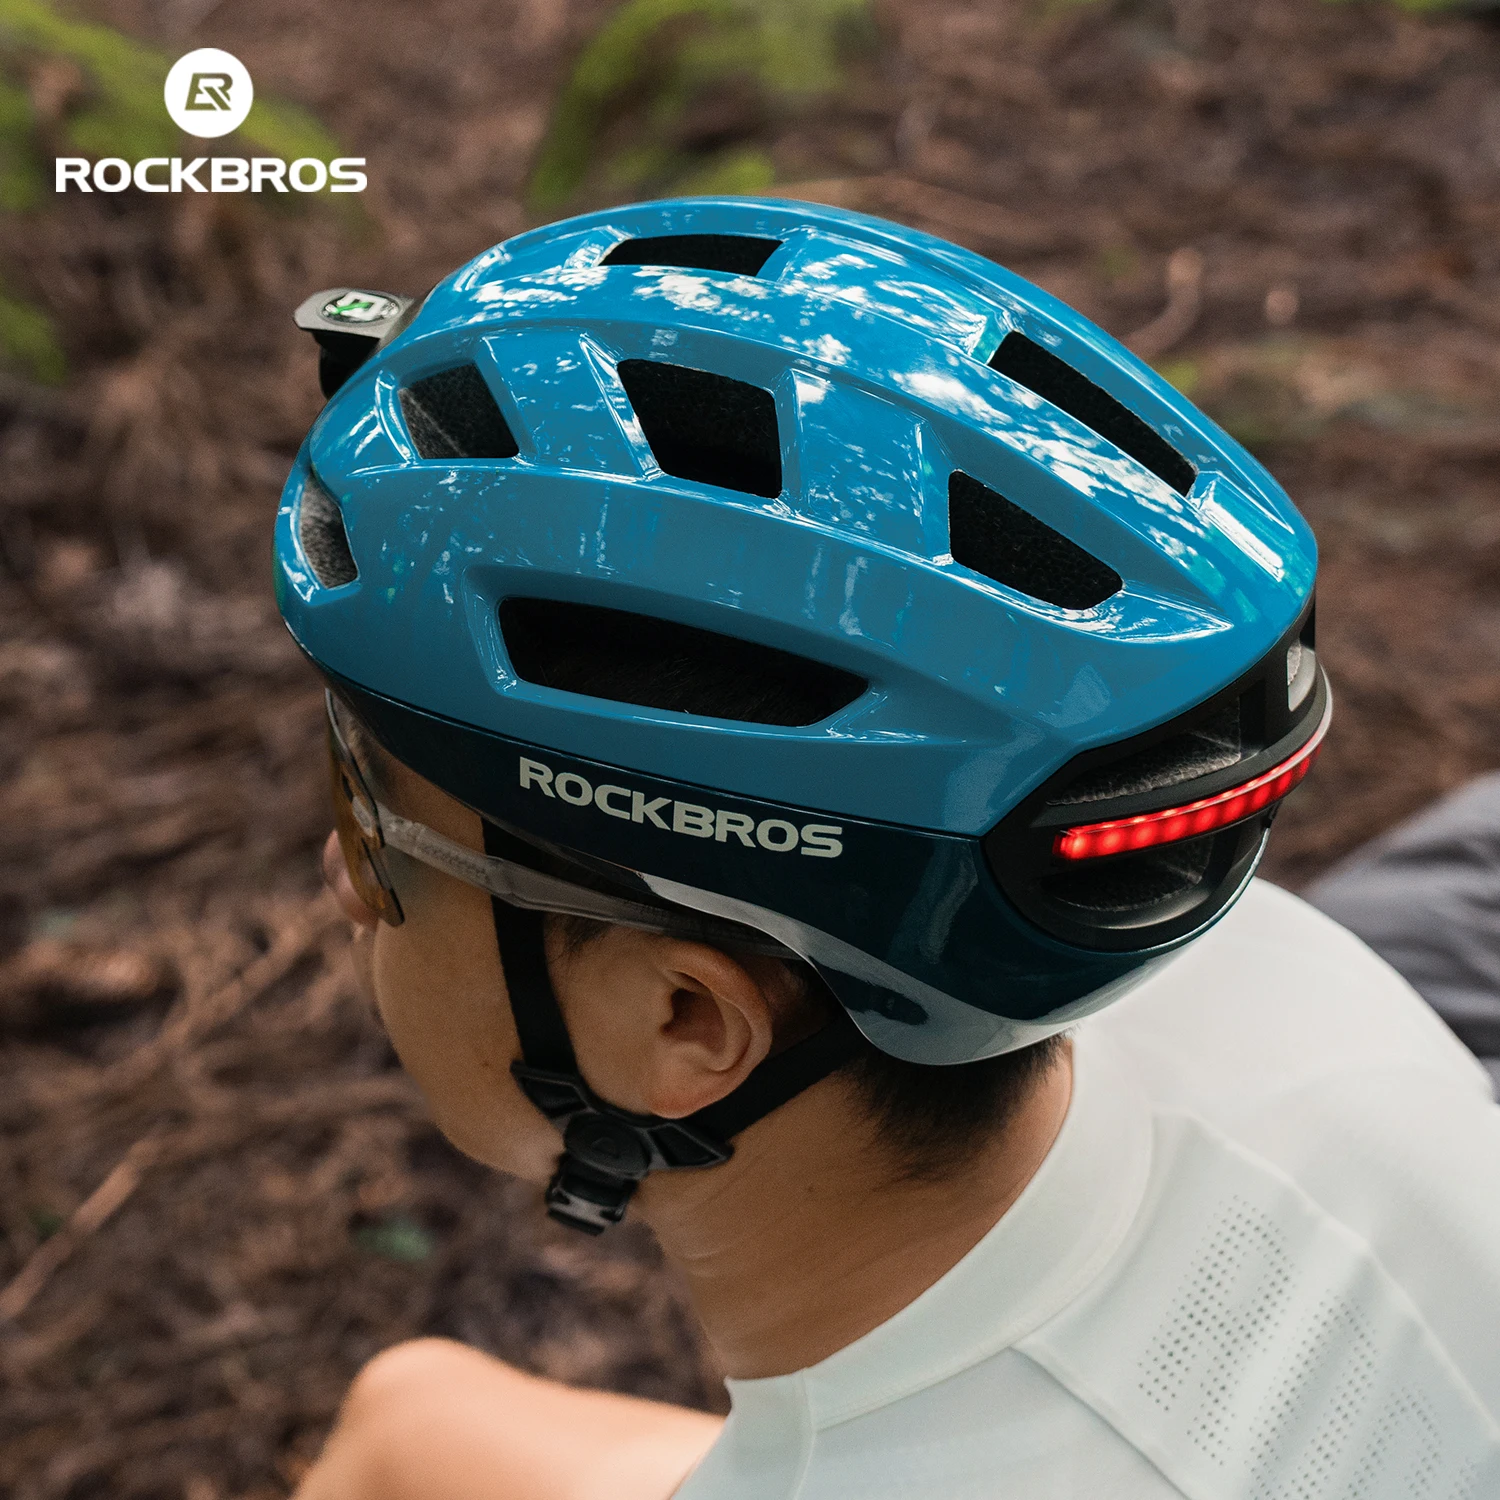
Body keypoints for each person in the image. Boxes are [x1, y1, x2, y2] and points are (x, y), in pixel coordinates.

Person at [277, 198, 1500, 1500]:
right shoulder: (1280, 984)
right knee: (407, 1418)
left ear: (684, 1022)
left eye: (369, 818)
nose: (342, 879)